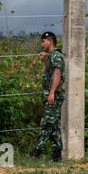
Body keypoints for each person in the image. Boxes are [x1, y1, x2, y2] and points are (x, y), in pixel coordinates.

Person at [30, 31, 66, 162]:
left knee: (46, 124)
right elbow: (47, 74)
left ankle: (35, 154)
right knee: (54, 126)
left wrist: (51, 93)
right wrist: (44, 61)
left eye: (43, 41)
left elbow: (57, 74)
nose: (42, 44)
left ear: (50, 41)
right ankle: (57, 157)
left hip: (54, 95)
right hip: (50, 95)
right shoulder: (50, 56)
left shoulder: (56, 56)